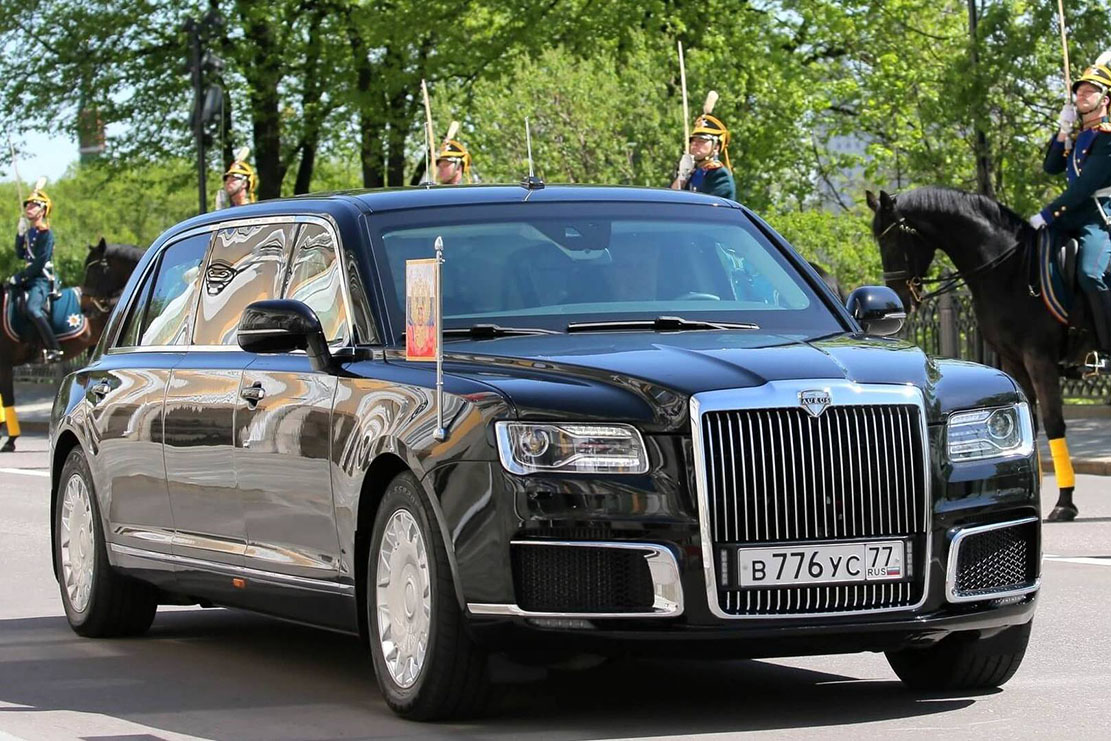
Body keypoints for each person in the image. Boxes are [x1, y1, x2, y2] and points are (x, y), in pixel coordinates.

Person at [1030, 56, 1111, 361]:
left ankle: (1107, 348)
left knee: (1090, 273)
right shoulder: (1079, 136)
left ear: (1106, 99)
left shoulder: (1107, 138)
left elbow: (1084, 187)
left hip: (1100, 216)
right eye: (1079, 91)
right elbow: (1051, 167)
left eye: (1090, 91)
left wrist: (1047, 214)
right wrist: (1062, 132)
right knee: (1030, 249)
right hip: (1076, 214)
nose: (1081, 95)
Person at [7, 188, 63, 362]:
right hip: (29, 278)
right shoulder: (30, 233)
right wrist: (20, 234)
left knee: (32, 308)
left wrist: (20, 276)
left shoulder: (47, 234)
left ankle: (54, 348)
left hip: (41, 279)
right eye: (28, 205)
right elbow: (20, 254)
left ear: (43, 210)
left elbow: (39, 263)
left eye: (33, 205)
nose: (28, 208)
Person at [671, 105, 735, 200]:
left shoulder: (719, 175)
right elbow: (670, 199)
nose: (695, 144)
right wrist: (682, 176)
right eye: (693, 140)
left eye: (702, 141)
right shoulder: (691, 172)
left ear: (716, 147)